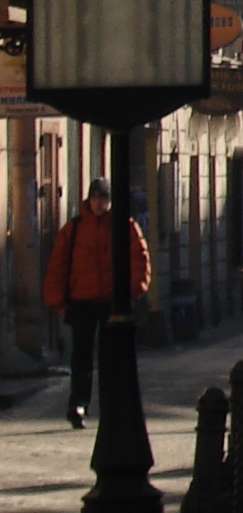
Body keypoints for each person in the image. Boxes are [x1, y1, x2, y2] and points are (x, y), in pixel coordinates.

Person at [41, 180, 150, 430]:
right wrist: (57, 301)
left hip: (112, 301)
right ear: (89, 200)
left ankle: (109, 405)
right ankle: (78, 404)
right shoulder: (75, 228)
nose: (100, 204)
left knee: (110, 357)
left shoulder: (124, 226)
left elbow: (140, 259)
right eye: (96, 199)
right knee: (82, 356)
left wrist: (133, 293)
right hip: (81, 301)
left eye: (104, 199)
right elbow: (58, 265)